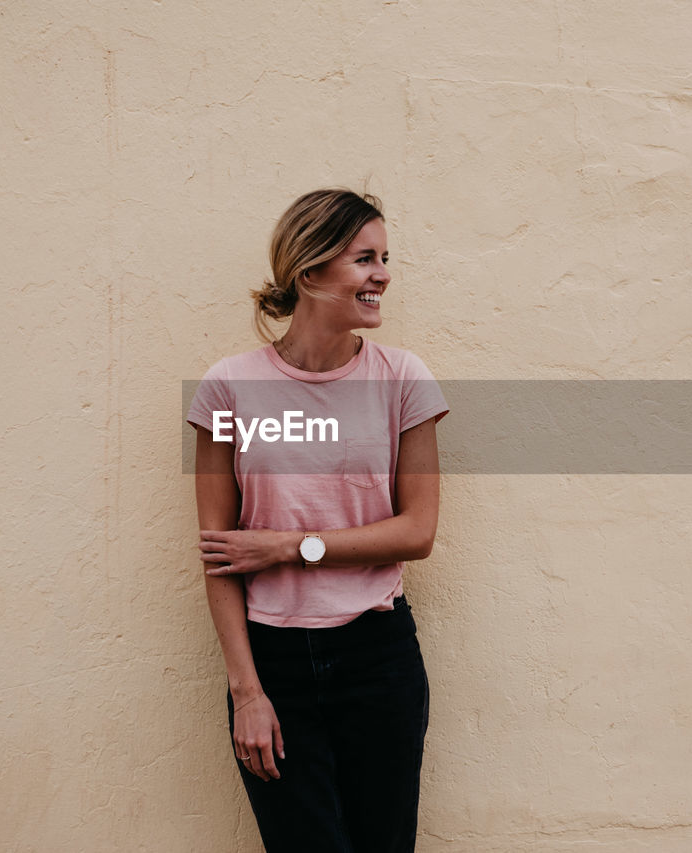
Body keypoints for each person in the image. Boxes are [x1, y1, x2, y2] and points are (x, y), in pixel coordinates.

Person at [186, 188, 448, 852]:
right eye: (365, 258)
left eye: (385, 257)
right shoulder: (228, 387)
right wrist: (246, 690)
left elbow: (417, 530)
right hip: (272, 665)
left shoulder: (403, 379)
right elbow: (218, 554)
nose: (383, 274)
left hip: (377, 657)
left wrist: (285, 546)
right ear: (309, 272)